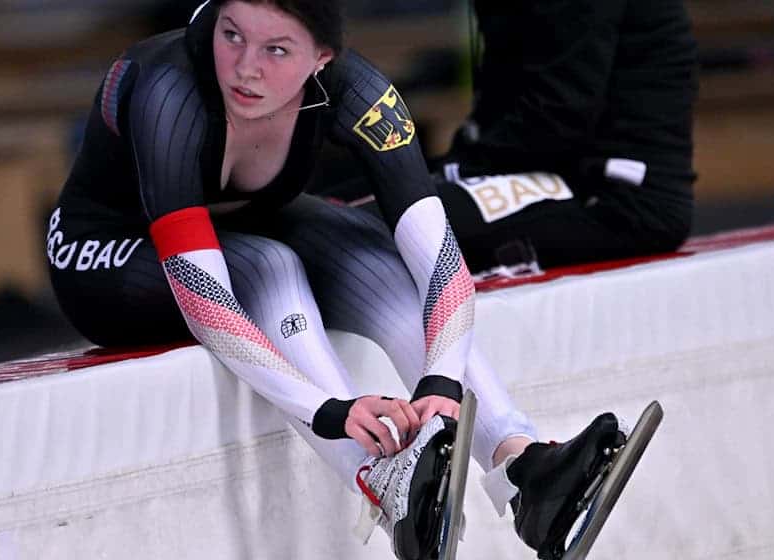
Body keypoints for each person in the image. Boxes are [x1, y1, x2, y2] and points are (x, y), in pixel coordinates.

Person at [46, 1, 624, 557]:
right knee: (271, 266)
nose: (246, 68)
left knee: (377, 256)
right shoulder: (169, 88)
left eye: (276, 49)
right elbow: (205, 298)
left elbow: (441, 263)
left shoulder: (360, 93)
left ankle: (525, 469)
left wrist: (441, 384)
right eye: (232, 35)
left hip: (246, 225)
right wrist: (331, 409)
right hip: (105, 251)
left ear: (323, 58)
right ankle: (377, 478)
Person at [431, 0, 699, 275]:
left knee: (411, 228)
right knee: (404, 211)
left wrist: (459, 168)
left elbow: (559, 116)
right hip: (564, 175)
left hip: (620, 198)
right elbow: (506, 107)